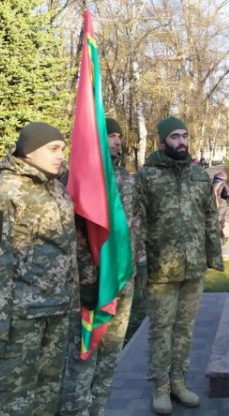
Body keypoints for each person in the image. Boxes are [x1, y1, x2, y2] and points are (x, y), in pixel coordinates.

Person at [0, 122, 78, 416]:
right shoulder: (1, 191)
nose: (61, 156)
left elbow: (66, 250)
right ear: (30, 151)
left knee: (46, 394)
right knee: (10, 400)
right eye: (53, 149)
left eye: (63, 150)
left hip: (55, 311)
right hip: (20, 318)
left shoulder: (55, 188)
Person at [135, 116, 224, 415]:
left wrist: (213, 255)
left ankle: (178, 382)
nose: (182, 142)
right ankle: (159, 387)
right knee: (161, 329)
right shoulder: (147, 176)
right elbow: (137, 224)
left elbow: (210, 217)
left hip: (193, 267)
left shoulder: (198, 176)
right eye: (175, 136)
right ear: (162, 142)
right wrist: (142, 264)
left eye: (185, 135)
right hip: (162, 270)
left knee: (185, 329)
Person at [60, 118, 140, 416]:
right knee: (84, 356)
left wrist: (136, 266)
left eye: (119, 136)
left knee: (110, 356)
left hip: (121, 278)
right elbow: (74, 237)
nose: (117, 141)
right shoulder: (76, 181)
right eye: (111, 136)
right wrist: (86, 279)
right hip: (92, 284)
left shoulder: (124, 177)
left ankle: (98, 410)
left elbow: (133, 227)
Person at [211, 171, 229, 245]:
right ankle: (217, 240)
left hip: (212, 205)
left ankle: (223, 238)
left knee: (216, 221)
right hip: (221, 205)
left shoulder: (211, 183)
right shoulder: (223, 184)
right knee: (218, 222)